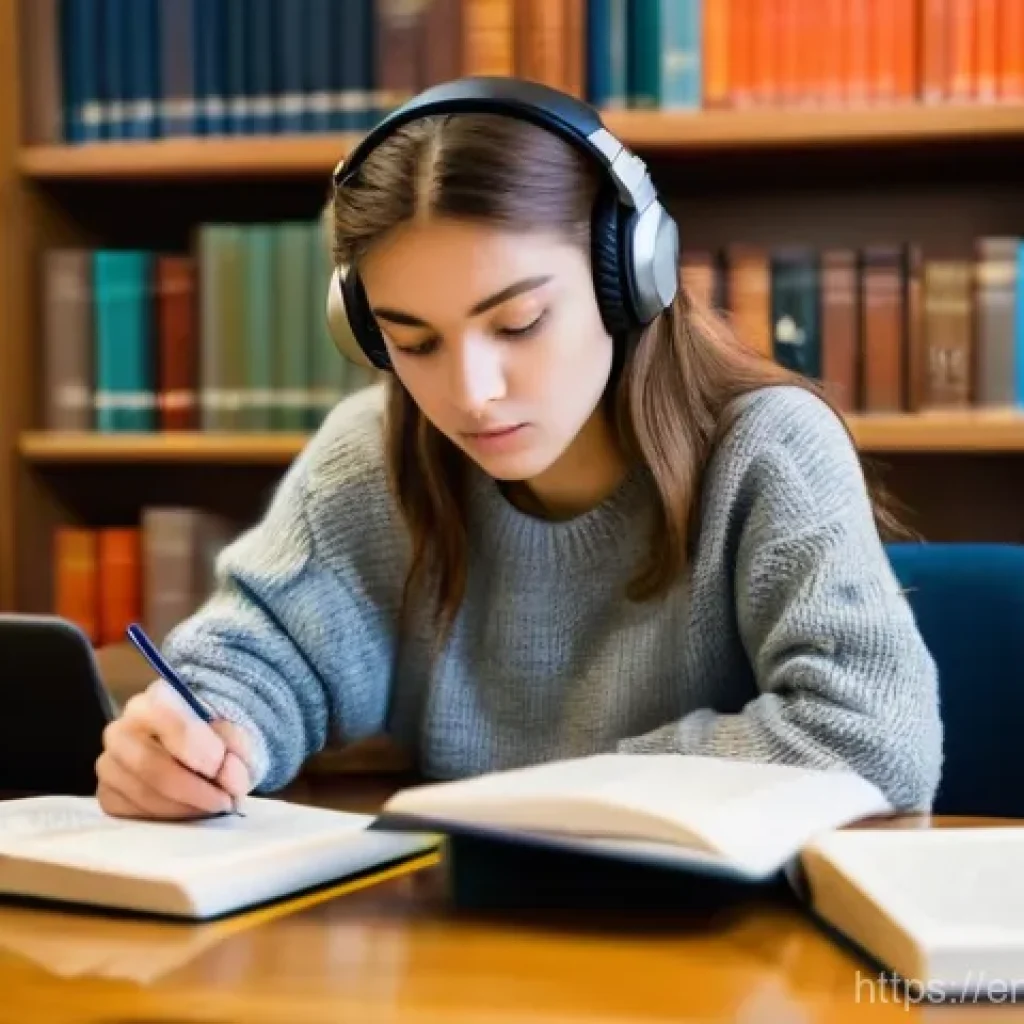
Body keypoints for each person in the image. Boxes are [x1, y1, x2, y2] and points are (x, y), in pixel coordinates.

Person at [95, 79, 943, 822]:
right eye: (415, 342)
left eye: (519, 324)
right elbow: (256, 659)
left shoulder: (768, 451)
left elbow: (873, 740)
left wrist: (559, 796)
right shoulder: (374, 455)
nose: (471, 392)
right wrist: (199, 739)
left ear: (631, 278)